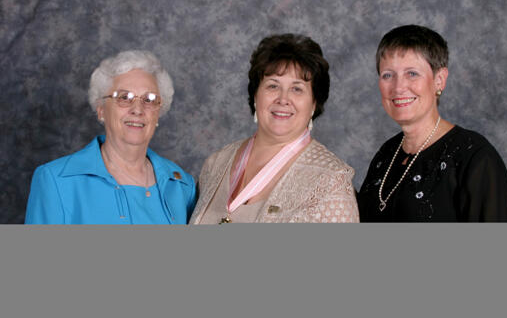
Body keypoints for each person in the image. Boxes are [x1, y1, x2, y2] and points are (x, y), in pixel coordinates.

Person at [190, 34, 359, 223]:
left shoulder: (331, 181)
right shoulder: (215, 165)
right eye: (272, 86)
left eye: (297, 89)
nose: (283, 99)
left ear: (313, 104)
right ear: (255, 95)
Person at [356, 25, 507, 222]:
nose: (398, 87)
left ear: (439, 80)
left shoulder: (475, 157)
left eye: (412, 73)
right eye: (388, 75)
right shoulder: (386, 155)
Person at [25, 50, 196, 224]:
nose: (138, 109)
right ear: (101, 110)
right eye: (124, 97)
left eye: (149, 99)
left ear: (158, 113)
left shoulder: (182, 186)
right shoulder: (56, 180)